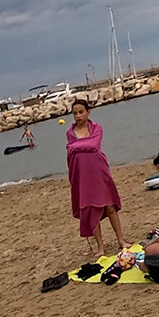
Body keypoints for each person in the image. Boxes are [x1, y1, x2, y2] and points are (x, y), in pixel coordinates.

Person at [66, 99, 128, 256]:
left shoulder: (96, 128)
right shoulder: (70, 132)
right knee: (91, 208)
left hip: (99, 171)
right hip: (82, 174)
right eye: (75, 113)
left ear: (88, 112)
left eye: (81, 112)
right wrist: (80, 146)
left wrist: (77, 146)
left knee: (109, 206)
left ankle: (121, 240)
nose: (78, 116)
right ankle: (101, 246)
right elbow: (71, 148)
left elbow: (94, 145)